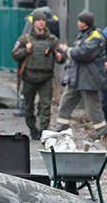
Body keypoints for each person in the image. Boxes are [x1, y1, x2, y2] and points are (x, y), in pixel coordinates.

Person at [11, 12, 66, 140]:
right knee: (28, 106)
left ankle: (43, 131)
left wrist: (60, 57)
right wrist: (26, 50)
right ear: (34, 22)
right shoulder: (25, 39)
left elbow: (62, 56)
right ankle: (33, 129)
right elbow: (14, 54)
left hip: (45, 78)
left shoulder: (52, 40)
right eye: (38, 20)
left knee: (46, 106)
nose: (41, 22)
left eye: (43, 20)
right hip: (29, 77)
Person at [53, 12, 107, 138]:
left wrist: (67, 50)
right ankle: (61, 129)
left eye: (80, 21)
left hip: (89, 79)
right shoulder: (84, 35)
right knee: (66, 102)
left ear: (85, 23)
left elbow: (82, 54)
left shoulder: (95, 37)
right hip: (76, 77)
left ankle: (102, 132)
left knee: (93, 107)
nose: (78, 23)